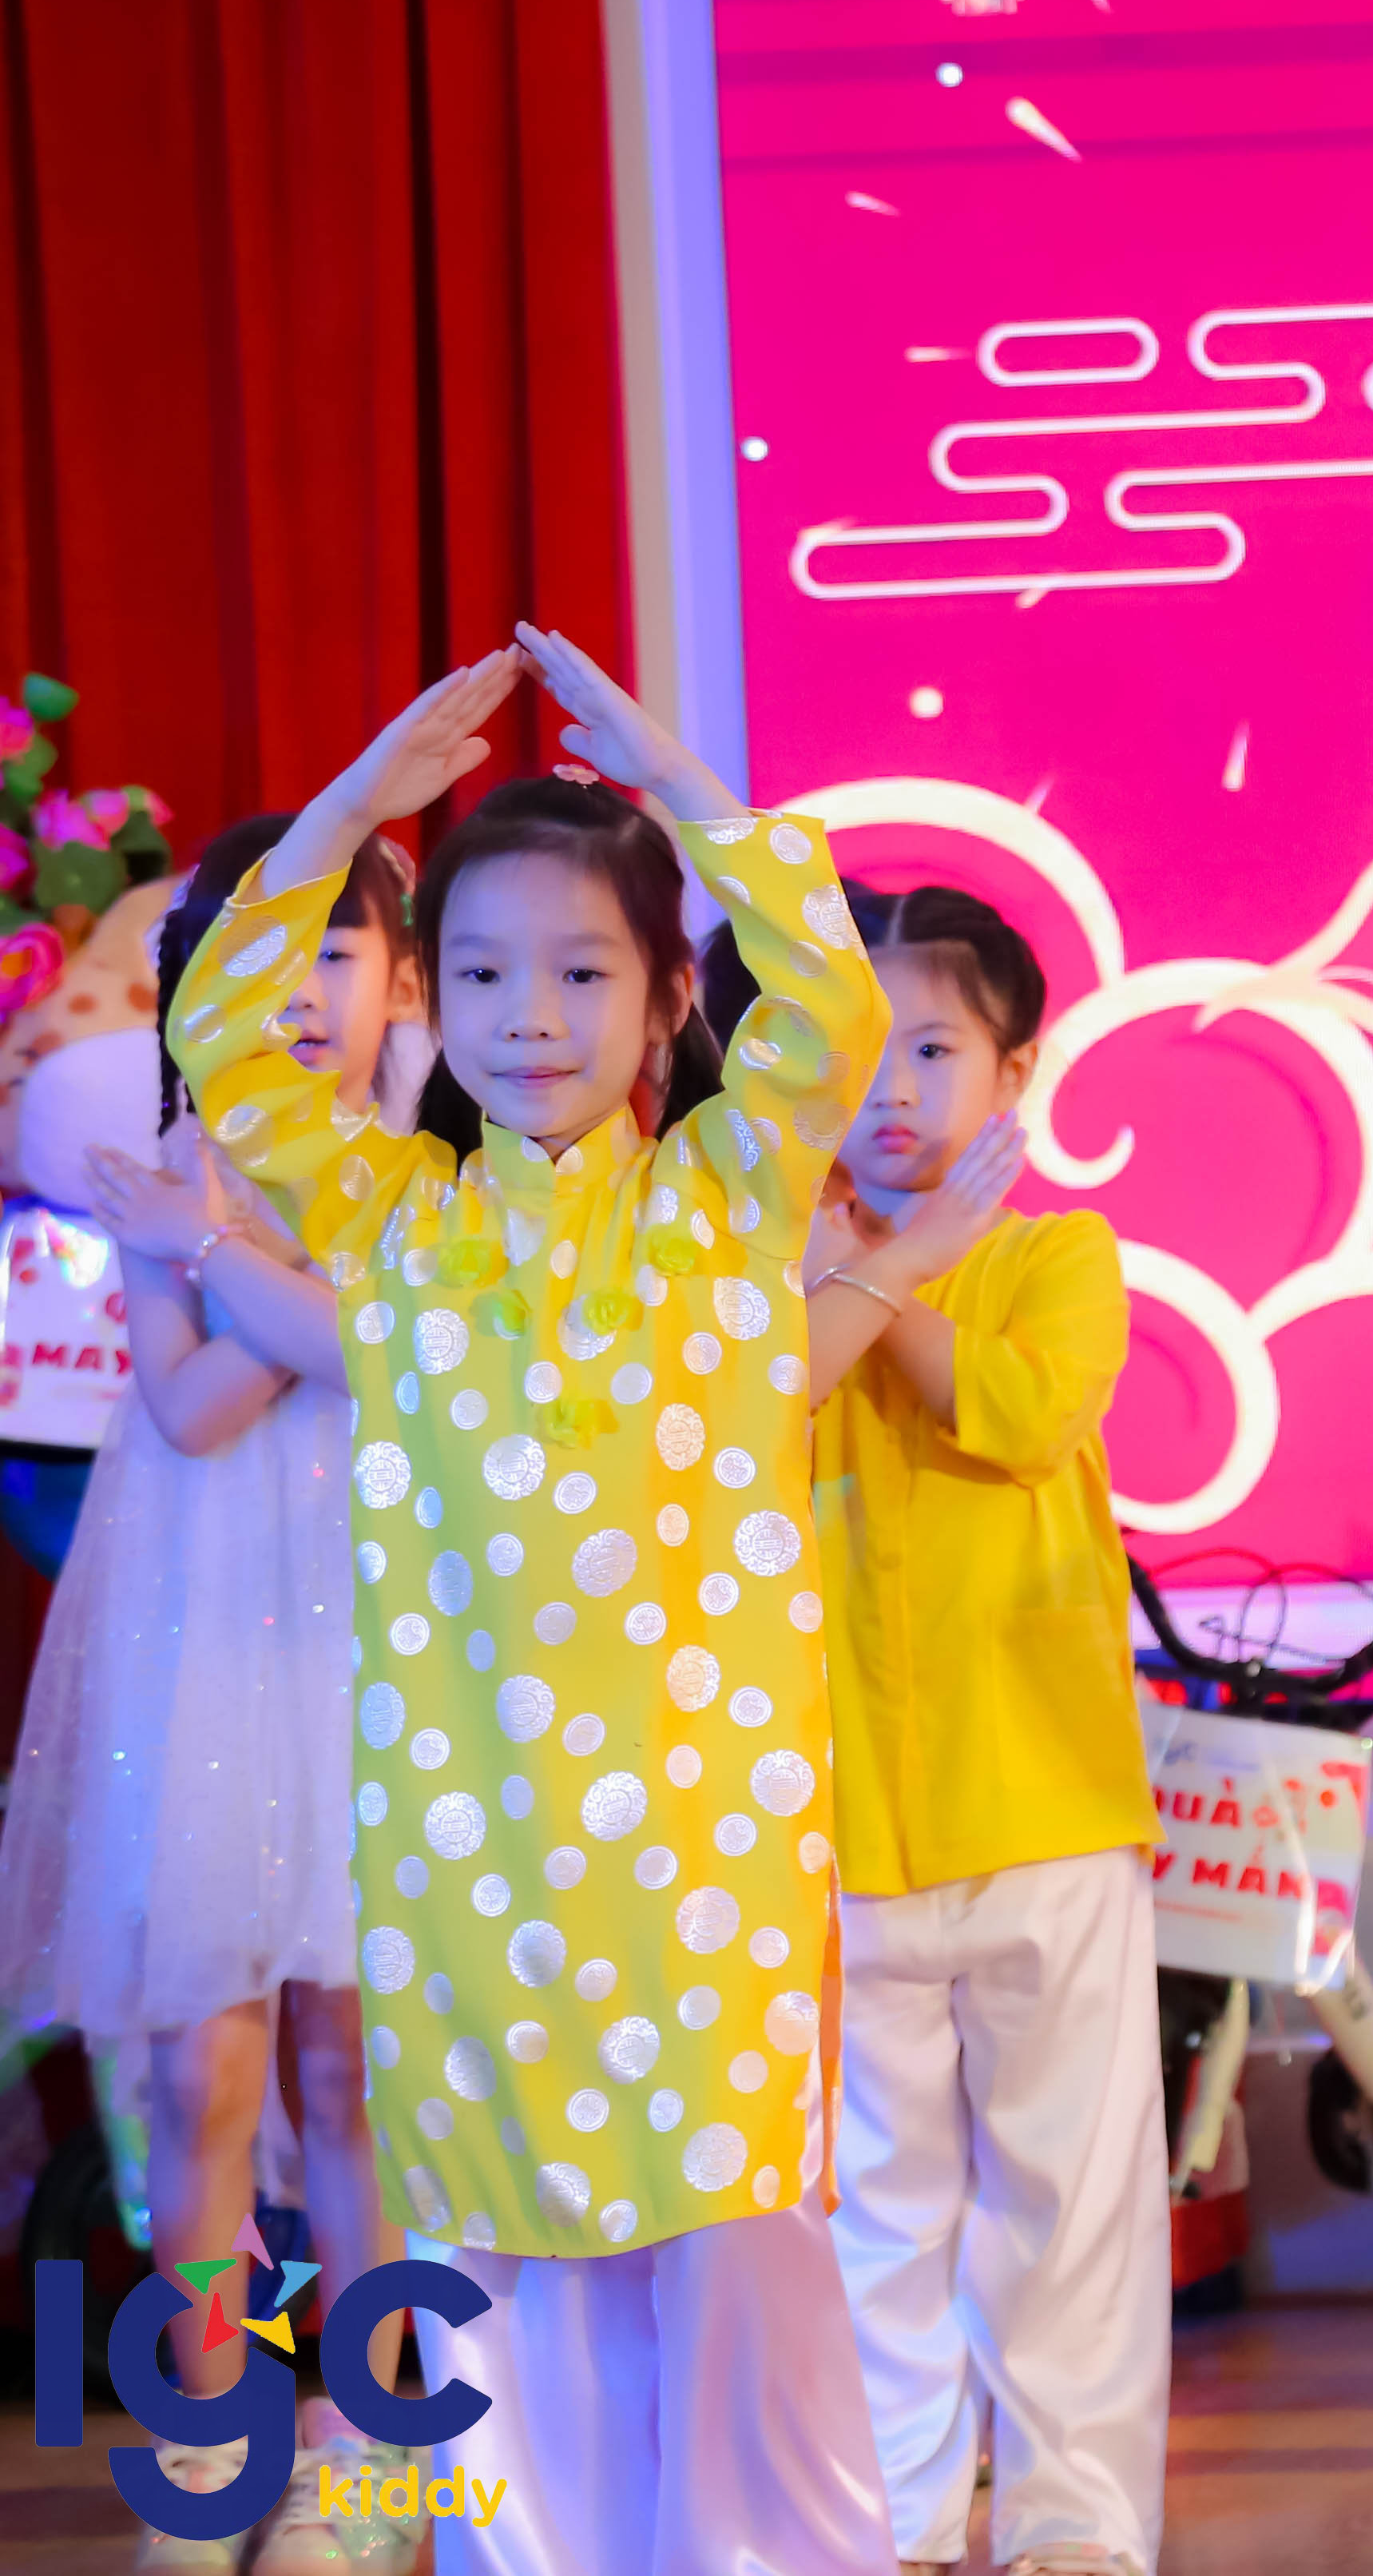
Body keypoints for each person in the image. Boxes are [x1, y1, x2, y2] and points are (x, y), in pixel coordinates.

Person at [171, 630, 895, 2576]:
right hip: (473, 1845)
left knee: (735, 2239)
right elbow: (223, 1032)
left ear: (667, 994)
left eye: (583, 971)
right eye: (480, 973)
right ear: (427, 994)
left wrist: (681, 784)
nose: (529, 1017)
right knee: (505, 2252)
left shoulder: (730, 1194)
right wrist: (349, 812)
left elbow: (830, 994)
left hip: (711, 1843)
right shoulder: (393, 1216)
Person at [0, 816, 424, 2571]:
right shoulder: (177, 1159)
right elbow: (180, 1409)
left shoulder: (433, 1165)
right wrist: (271, 1274)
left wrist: (248, 1264)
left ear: (403, 977)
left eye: (335, 945)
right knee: (201, 2071)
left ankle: (373, 2459)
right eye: (255, 951)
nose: (301, 987)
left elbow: (411, 1365)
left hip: (379, 1654)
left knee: (356, 2066)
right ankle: (212, 2438)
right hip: (206, 1652)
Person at [795, 884, 1171, 2576]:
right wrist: (853, 1269)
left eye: (932, 1048)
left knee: (1068, 2204)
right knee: (876, 2208)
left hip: (1046, 1803)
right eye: (855, 1048)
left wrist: (879, 1277)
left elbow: (1018, 1409)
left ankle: (1076, 2525)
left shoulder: (1056, 1254)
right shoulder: (768, 1273)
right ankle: (901, 2508)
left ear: (1016, 1072)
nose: (889, 1086)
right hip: (840, 1818)